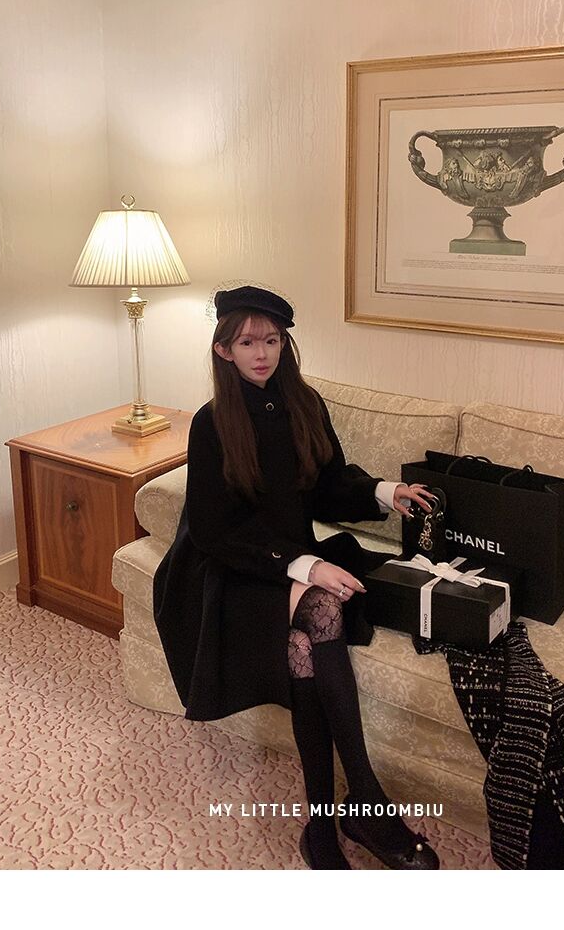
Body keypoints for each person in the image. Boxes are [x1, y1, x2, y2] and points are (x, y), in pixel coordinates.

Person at [153, 284, 440, 871]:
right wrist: (306, 565)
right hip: (223, 568)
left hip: (284, 559)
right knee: (322, 606)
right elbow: (212, 531)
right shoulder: (211, 423)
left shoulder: (305, 403)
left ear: (285, 343)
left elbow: (328, 485)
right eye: (246, 342)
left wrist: (384, 492)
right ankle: (365, 802)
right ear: (223, 350)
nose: (261, 353)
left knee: (308, 639)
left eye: (271, 340)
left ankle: (324, 823)